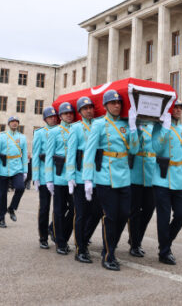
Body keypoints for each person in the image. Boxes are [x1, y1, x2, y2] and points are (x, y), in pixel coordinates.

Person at [84, 89, 138, 271]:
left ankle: (110, 247)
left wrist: (133, 129)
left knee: (123, 215)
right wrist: (88, 179)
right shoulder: (99, 124)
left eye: (119, 103)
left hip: (124, 176)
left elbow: (134, 150)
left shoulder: (125, 123)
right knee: (110, 217)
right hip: (106, 177)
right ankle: (108, 255)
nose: (117, 105)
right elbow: (89, 152)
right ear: (106, 105)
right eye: (113, 103)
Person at [152, 100, 182, 265]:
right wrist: (165, 128)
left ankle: (165, 243)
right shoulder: (158, 128)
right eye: (175, 107)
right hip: (161, 178)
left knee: (181, 215)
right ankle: (164, 251)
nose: (177, 110)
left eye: (180, 108)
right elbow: (156, 148)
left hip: (179, 179)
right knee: (163, 216)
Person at [66, 96, 100, 264]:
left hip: (97, 176)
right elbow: (71, 154)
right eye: (85, 108)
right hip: (80, 177)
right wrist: (71, 177)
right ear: (80, 112)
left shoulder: (98, 125)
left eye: (90, 108)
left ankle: (84, 239)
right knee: (81, 213)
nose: (89, 110)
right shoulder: (76, 128)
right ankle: (80, 249)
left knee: (97, 212)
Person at [45, 102, 76, 255]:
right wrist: (49, 179)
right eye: (65, 113)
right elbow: (49, 156)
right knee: (58, 209)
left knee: (75, 208)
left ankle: (59, 232)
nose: (69, 115)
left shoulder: (77, 129)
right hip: (59, 175)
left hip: (74, 175)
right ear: (61, 116)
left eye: (71, 113)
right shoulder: (55, 132)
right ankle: (60, 242)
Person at [0, 116, 28, 228]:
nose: (14, 124)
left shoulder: (22, 137)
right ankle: (1, 218)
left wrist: (25, 170)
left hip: (17, 168)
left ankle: (11, 208)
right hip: (3, 168)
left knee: (21, 187)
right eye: (12, 122)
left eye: (16, 122)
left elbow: (25, 155)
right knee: (2, 195)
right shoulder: (2, 136)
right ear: (8, 124)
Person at [128, 117, 156, 258]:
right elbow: (133, 148)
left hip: (151, 175)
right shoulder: (132, 124)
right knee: (134, 211)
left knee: (149, 209)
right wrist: (134, 128)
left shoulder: (154, 125)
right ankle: (135, 244)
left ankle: (136, 237)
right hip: (135, 174)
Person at [32, 107, 58, 249]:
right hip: (43, 175)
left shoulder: (61, 131)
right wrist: (35, 177)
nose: (53, 118)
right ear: (45, 119)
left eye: (55, 116)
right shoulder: (40, 133)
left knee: (62, 207)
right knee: (44, 207)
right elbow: (36, 155)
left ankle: (52, 228)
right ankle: (43, 236)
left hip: (59, 174)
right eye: (50, 117)